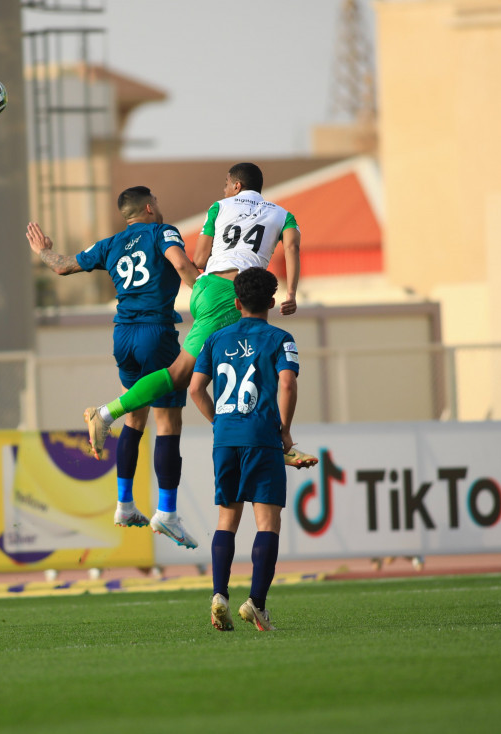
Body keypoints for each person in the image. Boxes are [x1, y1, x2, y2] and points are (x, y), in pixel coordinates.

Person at [82, 163, 317, 471]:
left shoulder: (219, 207)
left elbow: (200, 259)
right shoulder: (283, 214)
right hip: (234, 296)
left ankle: (272, 440)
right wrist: (291, 294)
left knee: (245, 366)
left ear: (235, 185)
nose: (223, 189)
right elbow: (293, 247)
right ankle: (106, 413)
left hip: (210, 290)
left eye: (225, 184)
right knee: (187, 374)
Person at [27, 186, 203, 548]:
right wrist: (205, 293)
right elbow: (182, 265)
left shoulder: (110, 244)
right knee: (168, 422)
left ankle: (124, 504)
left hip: (123, 336)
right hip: (156, 332)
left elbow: (62, 266)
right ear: (150, 207)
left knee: (136, 418)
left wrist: (43, 250)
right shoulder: (162, 232)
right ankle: (166, 513)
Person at [188, 267, 299, 632]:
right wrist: (285, 432)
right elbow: (286, 384)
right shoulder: (281, 338)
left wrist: (219, 422)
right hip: (262, 438)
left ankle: (219, 594)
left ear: (236, 303)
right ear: (270, 302)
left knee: (227, 520)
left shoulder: (215, 340)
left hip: (227, 438)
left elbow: (195, 390)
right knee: (267, 523)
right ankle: (257, 604)